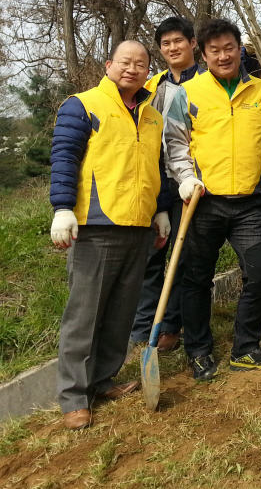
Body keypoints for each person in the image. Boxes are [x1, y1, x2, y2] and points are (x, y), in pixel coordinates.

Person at [164, 18, 261, 381]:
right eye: (215, 50)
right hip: (203, 200)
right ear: (203, 54)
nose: (223, 56)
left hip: (250, 202)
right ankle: (198, 351)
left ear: (240, 49)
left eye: (230, 48)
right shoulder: (186, 94)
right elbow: (175, 143)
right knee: (196, 278)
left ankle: (246, 348)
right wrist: (186, 178)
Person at [50, 40, 170, 430]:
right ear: (109, 65)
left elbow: (157, 166)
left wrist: (162, 210)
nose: (132, 69)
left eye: (140, 64)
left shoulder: (152, 116)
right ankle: (74, 397)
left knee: (121, 312)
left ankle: (103, 381)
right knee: (84, 316)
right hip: (97, 225)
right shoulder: (83, 105)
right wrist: (63, 207)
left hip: (138, 226)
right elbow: (65, 156)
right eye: (125, 62)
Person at [130, 17, 201, 354]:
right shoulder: (153, 85)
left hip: (190, 179)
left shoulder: (206, 81)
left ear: (192, 43)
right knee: (151, 255)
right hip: (155, 180)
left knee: (181, 255)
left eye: (179, 41)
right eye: (166, 43)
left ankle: (171, 325)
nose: (173, 48)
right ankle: (143, 328)